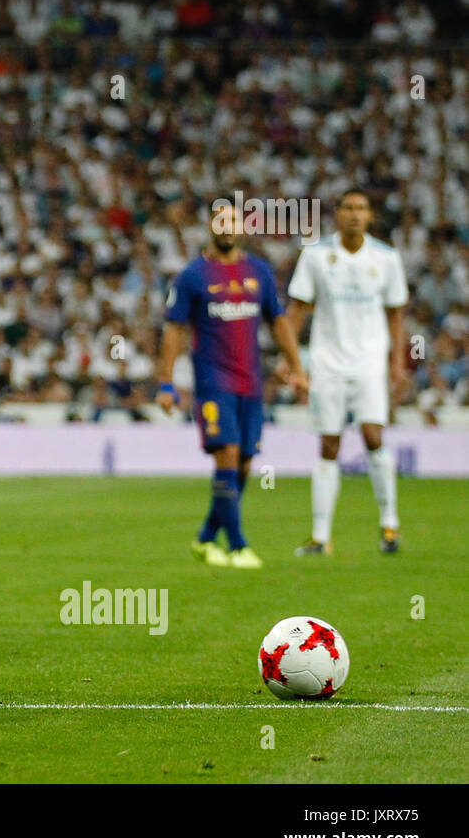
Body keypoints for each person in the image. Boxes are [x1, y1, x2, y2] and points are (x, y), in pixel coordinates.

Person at [156, 199, 307, 568]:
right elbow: (174, 330)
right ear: (210, 225)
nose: (227, 226)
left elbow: (279, 321)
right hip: (212, 381)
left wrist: (296, 367)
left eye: (234, 220)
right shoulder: (192, 276)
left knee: (244, 463)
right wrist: (166, 383)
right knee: (227, 454)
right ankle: (238, 545)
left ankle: (207, 538)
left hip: (250, 383)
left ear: (243, 226)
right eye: (220, 220)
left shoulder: (259, 271)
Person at [285, 190, 409, 556]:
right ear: (337, 215)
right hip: (327, 361)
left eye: (361, 208)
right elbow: (297, 310)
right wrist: (292, 362)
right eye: (348, 208)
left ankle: (390, 525)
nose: (354, 215)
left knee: (373, 435)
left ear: (370, 216)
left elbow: (396, 315)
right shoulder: (317, 255)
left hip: (370, 359)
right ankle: (321, 536)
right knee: (328, 444)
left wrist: (397, 362)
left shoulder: (386, 258)